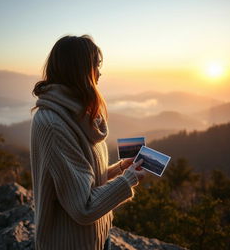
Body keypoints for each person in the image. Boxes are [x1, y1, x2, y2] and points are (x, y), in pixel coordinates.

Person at [30, 35, 149, 250]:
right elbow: (83, 207)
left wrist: (120, 168)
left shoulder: (82, 112)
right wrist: (129, 179)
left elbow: (85, 178)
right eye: (95, 65)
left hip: (99, 238)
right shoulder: (53, 124)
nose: (100, 73)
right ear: (80, 70)